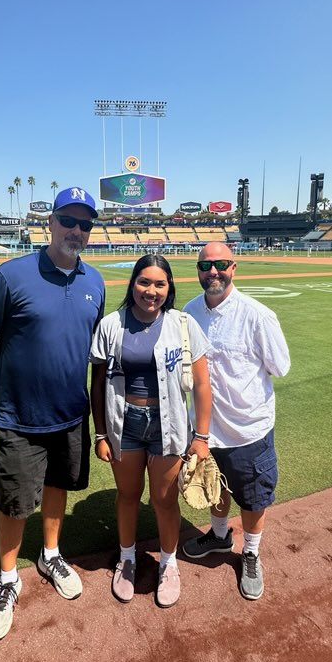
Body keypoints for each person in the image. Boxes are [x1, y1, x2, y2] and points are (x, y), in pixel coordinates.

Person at [0, 186, 105, 642]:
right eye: (68, 220)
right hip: (19, 416)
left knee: (57, 487)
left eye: (85, 224)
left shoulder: (95, 282)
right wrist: (10, 376)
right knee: (13, 500)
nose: (76, 230)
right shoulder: (10, 276)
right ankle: (7, 580)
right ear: (49, 223)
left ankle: (50, 554)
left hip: (70, 413)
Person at [90, 255, 211, 608]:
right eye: (144, 282)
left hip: (168, 424)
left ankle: (169, 565)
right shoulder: (111, 324)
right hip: (123, 423)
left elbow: (202, 384)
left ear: (169, 287)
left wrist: (201, 437)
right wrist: (100, 434)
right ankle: (127, 558)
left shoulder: (184, 324)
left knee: (163, 499)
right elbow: (97, 386)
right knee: (128, 495)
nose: (151, 291)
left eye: (159, 284)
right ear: (132, 284)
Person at [182, 242, 290, 600]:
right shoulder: (189, 312)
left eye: (221, 264)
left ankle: (251, 552)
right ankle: (218, 535)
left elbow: (280, 366)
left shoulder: (258, 315)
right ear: (198, 270)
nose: (213, 271)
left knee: (253, 495)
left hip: (248, 428)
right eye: (206, 265)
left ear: (234, 267)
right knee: (216, 487)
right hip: (206, 429)